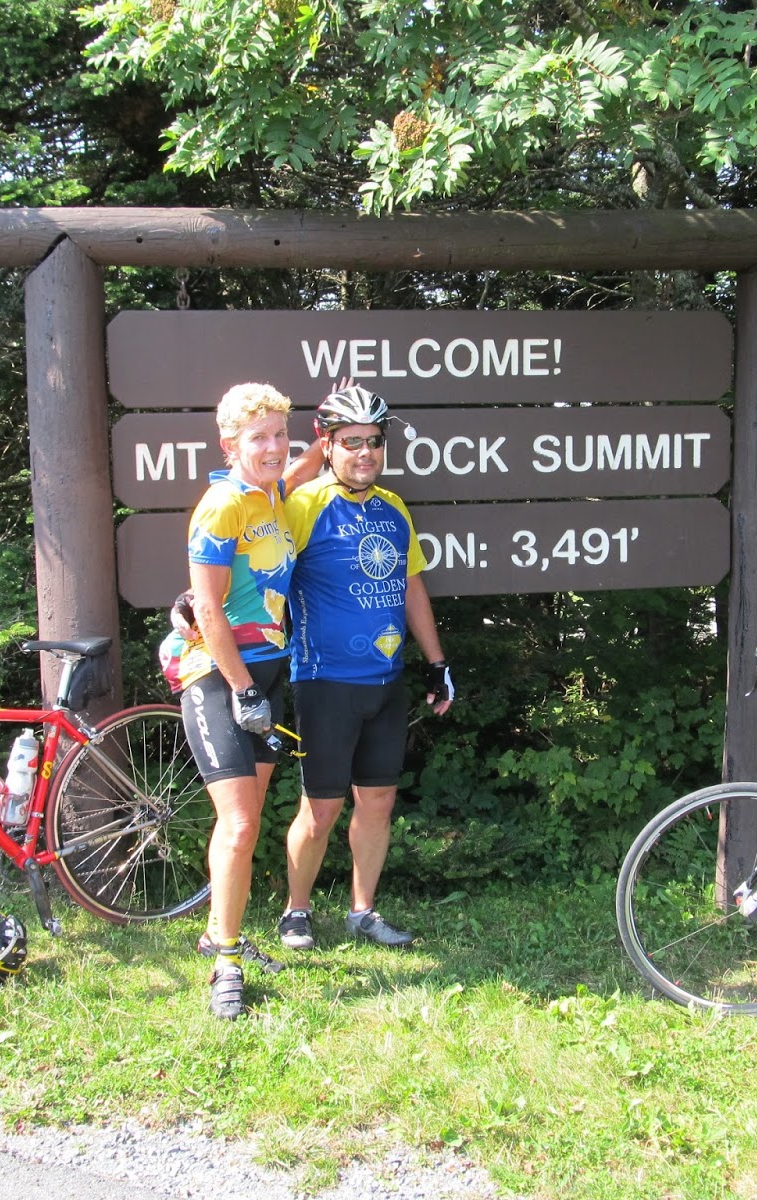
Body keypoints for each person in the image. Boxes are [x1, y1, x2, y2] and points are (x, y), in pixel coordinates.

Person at [274, 385, 454, 952]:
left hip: (385, 682)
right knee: (321, 807)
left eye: (374, 442)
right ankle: (295, 911)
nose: (365, 454)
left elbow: (410, 585)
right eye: (352, 442)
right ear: (326, 444)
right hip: (324, 681)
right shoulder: (303, 505)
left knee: (378, 801)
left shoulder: (393, 507)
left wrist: (437, 662)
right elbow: (252, 564)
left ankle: (363, 911)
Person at [157, 382, 303, 1021]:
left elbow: (303, 465)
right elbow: (207, 608)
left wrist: (327, 429)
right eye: (258, 438)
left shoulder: (271, 493)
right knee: (239, 824)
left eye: (280, 434)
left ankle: (222, 927)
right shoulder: (221, 504)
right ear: (229, 445)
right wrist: (243, 689)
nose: (272, 448)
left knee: (247, 821)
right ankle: (227, 958)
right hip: (221, 677)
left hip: (269, 672)